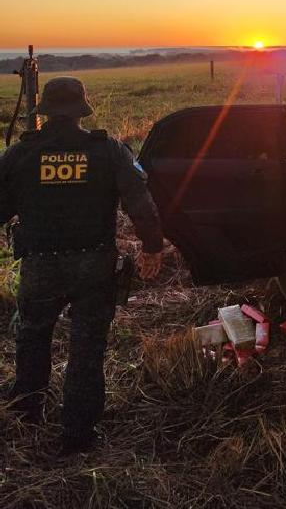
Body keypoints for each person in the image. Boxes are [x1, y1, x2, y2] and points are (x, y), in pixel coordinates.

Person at [0, 76, 164, 455]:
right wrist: (153, 248)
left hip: (39, 266)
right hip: (94, 263)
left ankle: (26, 411)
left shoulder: (20, 154)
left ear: (44, 113)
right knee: (87, 347)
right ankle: (78, 435)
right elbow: (140, 203)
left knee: (33, 336)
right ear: (80, 111)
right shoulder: (107, 149)